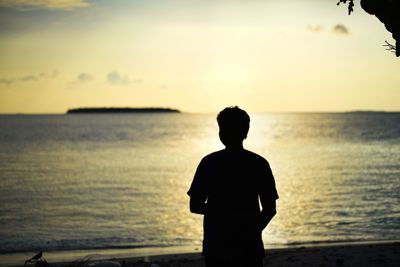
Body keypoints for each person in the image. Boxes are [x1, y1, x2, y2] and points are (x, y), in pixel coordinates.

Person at [187, 106, 279, 267]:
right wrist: (252, 230)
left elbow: (195, 205)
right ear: (246, 132)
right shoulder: (259, 163)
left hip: (217, 243)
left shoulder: (209, 163)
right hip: (248, 245)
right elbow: (270, 209)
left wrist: (220, 211)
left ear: (221, 133)